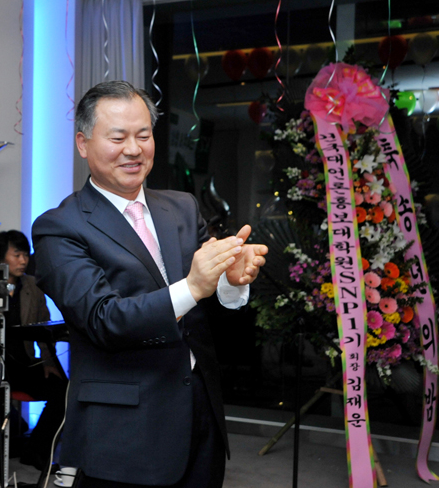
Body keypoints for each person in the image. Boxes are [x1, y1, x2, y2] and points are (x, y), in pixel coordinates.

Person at [32, 81, 268, 488]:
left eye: (143, 136)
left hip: (200, 417)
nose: (133, 149)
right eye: (118, 137)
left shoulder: (182, 207)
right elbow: (103, 319)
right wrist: (193, 285)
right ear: (83, 144)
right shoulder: (59, 227)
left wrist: (229, 282)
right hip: (124, 434)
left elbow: (204, 311)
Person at [0, 230, 68, 470]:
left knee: (63, 390)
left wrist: (48, 362)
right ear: (1, 257)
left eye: (25, 255)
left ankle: (36, 450)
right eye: (17, 255)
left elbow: (44, 328)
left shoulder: (33, 286)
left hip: (24, 363)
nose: (23, 260)